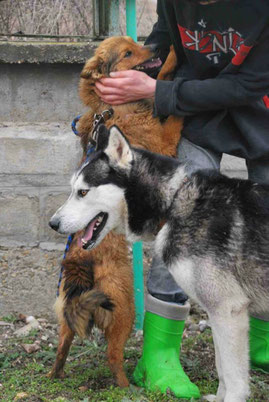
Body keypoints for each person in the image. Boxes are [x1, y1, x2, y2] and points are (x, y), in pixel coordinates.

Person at [95, 0, 269, 398]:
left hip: (262, 109)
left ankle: (262, 339)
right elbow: (161, 46)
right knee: (176, 221)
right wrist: (122, 81)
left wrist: (159, 90)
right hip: (194, 114)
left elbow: (250, 83)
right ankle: (159, 354)